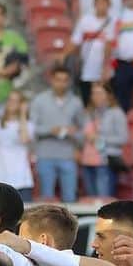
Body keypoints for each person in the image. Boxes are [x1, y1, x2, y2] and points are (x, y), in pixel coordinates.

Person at [30, 66, 86, 202]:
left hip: (67, 155)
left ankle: (70, 223)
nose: (61, 83)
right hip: (45, 155)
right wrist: (50, 130)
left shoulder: (76, 102)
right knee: (47, 199)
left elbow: (83, 129)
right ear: (52, 80)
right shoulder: (40, 100)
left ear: (69, 82)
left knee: (70, 198)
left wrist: (76, 136)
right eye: (58, 80)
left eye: (65, 80)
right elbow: (31, 128)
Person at [78, 82, 127, 198]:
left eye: (100, 93)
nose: (96, 96)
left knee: (103, 199)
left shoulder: (116, 113)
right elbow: (82, 134)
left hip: (105, 161)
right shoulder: (89, 113)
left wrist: (101, 139)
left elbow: (123, 138)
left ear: (109, 95)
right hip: (88, 160)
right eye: (94, 93)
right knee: (90, 199)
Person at [0, 90, 34, 200]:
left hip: (23, 179)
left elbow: (24, 138)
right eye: (10, 100)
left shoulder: (28, 125)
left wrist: (23, 114)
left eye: (16, 101)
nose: (12, 103)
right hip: (0, 179)